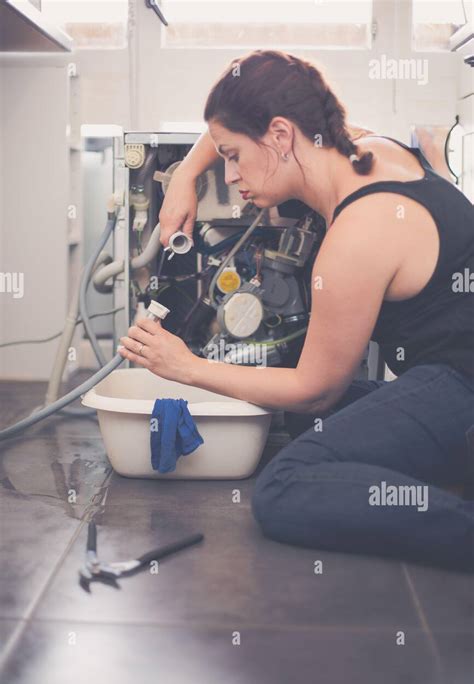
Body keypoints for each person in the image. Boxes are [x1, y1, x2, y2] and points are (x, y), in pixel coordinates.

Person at [118, 50, 474, 572]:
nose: (232, 173)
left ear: (281, 135)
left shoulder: (359, 234)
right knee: (308, 417)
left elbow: (316, 387)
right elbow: (266, 92)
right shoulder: (363, 148)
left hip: (462, 383)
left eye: (235, 155)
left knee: (285, 487)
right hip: (449, 372)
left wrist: (186, 367)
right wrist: (186, 174)